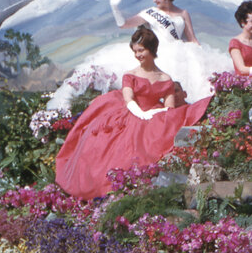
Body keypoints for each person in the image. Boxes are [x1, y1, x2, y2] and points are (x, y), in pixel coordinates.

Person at [54, 26, 211, 200]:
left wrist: (155, 113)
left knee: (148, 145)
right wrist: (140, 113)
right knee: (111, 149)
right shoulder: (130, 74)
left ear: (151, 49)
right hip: (131, 112)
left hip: (153, 115)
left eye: (141, 50)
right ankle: (105, 189)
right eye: (135, 51)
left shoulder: (165, 78)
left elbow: (169, 108)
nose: (138, 55)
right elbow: (128, 98)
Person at [104, 0, 233, 102]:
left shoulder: (183, 13)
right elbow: (124, 24)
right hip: (161, 54)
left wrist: (203, 57)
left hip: (183, 54)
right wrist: (115, 7)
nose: (154, 0)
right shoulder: (150, 13)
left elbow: (192, 38)